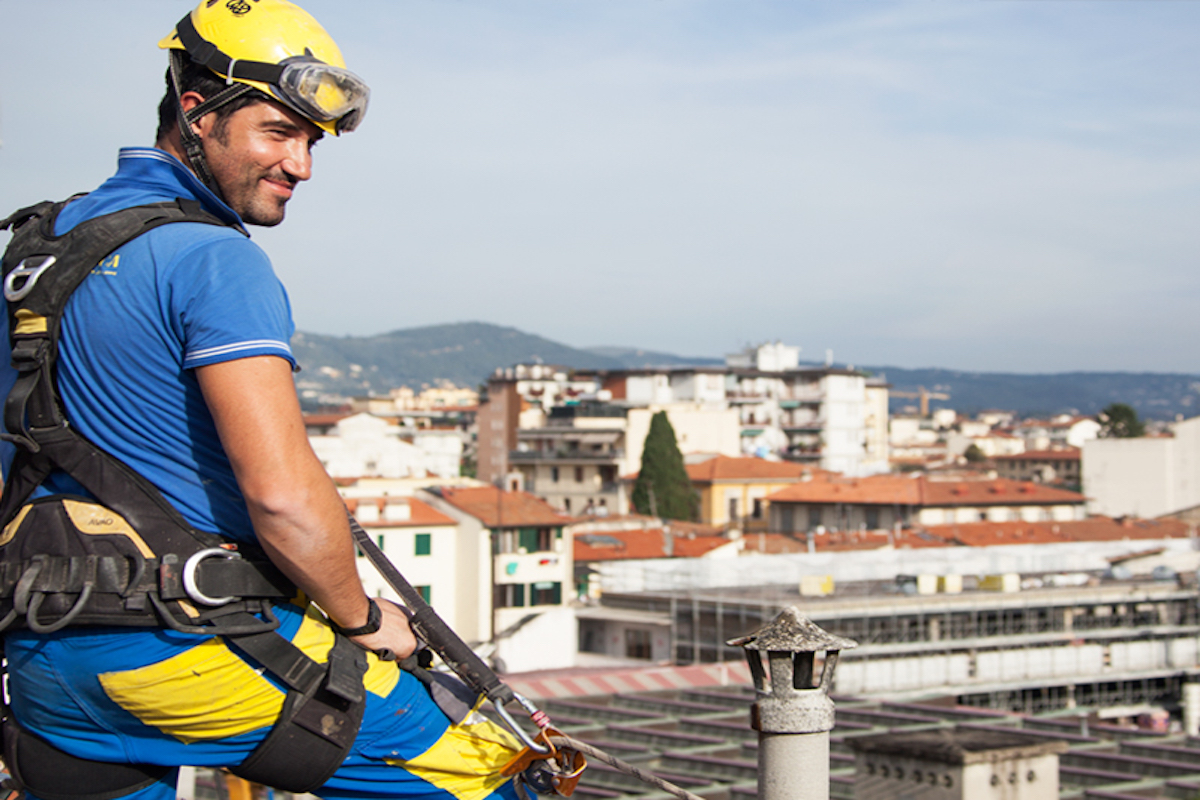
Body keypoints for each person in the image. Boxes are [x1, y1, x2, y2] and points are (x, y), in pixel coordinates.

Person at [0, 3, 528, 799]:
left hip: (45, 670)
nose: (302, 165)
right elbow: (282, 497)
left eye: (312, 141)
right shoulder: (214, 261)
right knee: (496, 775)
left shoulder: (32, 255)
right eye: (277, 132)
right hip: (185, 650)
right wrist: (362, 619)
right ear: (196, 114)